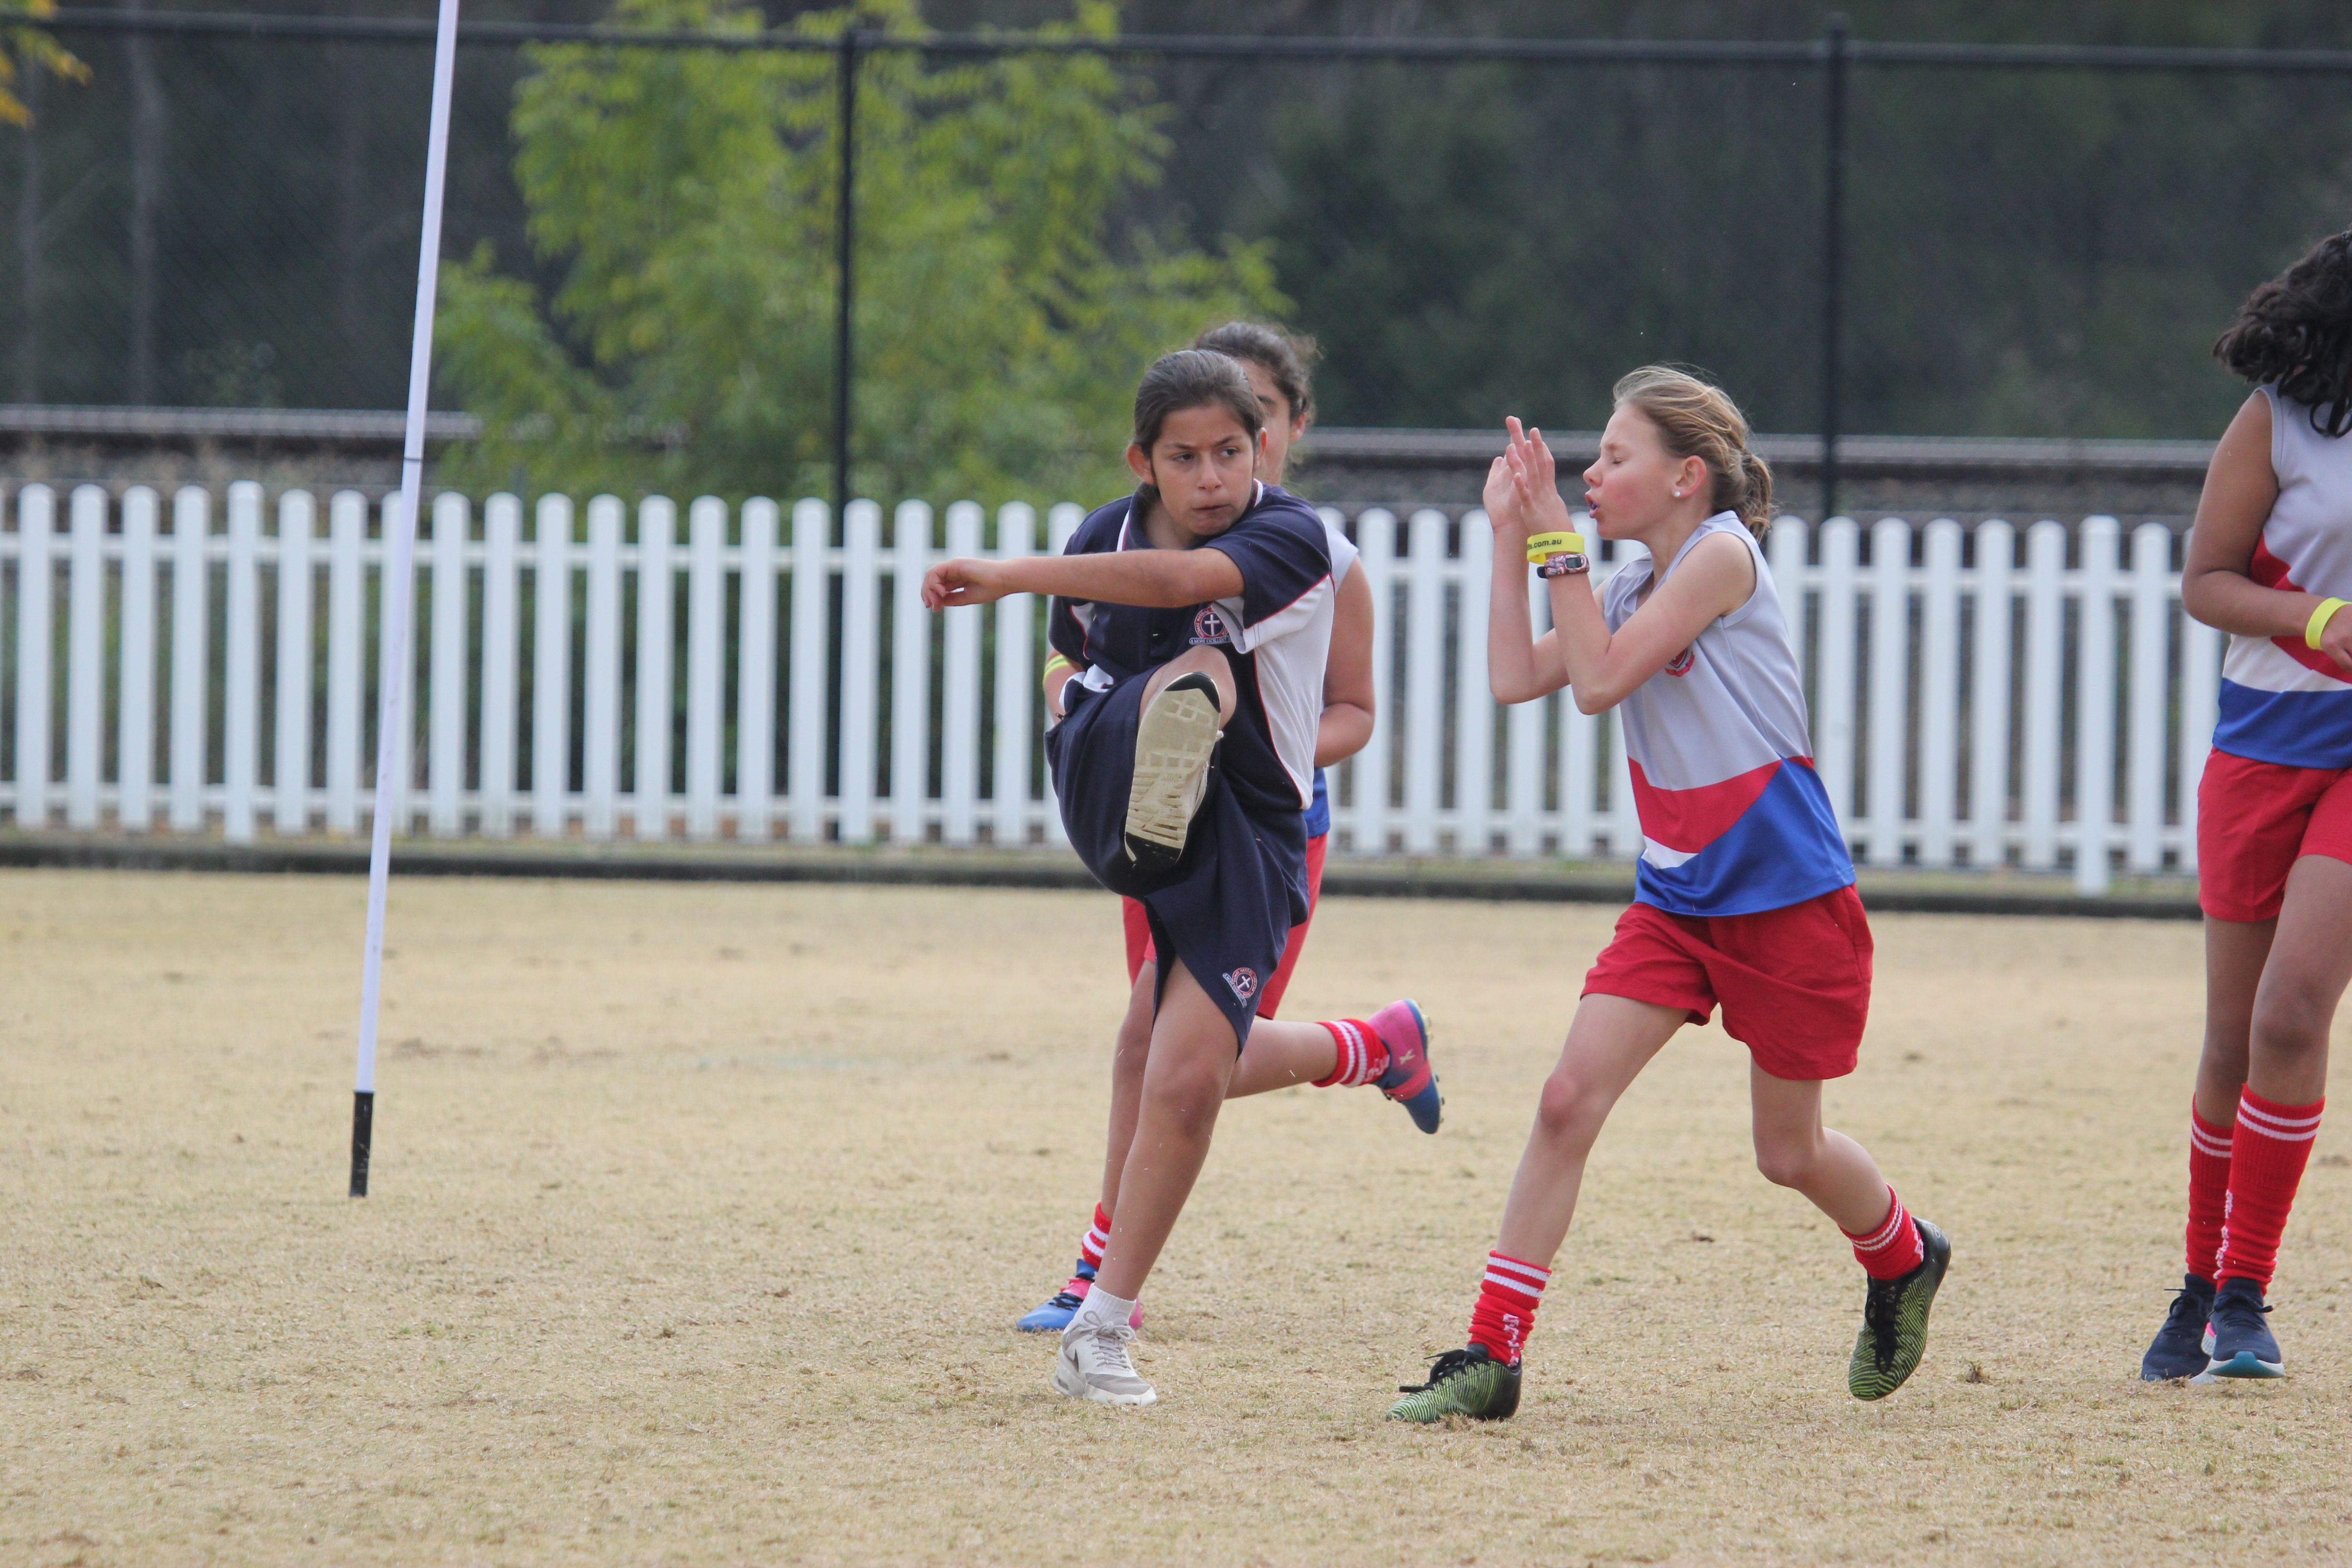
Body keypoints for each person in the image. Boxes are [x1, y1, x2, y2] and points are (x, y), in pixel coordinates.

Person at [1386, 368, 1949, 1423]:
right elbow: (1519, 679)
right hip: (1678, 899)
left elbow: (1598, 687)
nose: (1592, 474)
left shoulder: (1724, 555)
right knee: (1565, 1102)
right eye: (1591, 461)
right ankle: (1491, 1355)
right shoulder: (1629, 588)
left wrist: (1556, 535)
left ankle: (1905, 1256)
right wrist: (1513, 533)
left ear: (1687, 476)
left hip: (1786, 899)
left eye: (1613, 456)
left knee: (1789, 1154)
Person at [922, 348, 1431, 1406]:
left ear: (1269, 445)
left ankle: (1099, 1332)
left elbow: (1187, 585)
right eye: (1185, 458)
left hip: (1249, 830)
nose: (1211, 478)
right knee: (1187, 682)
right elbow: (1067, 651)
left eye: (1231, 454)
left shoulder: (1293, 539)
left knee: (1187, 1073)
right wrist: (1067, 700)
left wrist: (1010, 572)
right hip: (1116, 782)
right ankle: (1165, 749)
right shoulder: (1099, 535)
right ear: (1142, 462)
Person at [2139, 230, 2352, 1382]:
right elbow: (2207, 583)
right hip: (2267, 746)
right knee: (2231, 1040)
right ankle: (2194, 1289)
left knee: (2290, 1013)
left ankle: (2247, 1297)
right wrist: (2318, 620)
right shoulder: (2282, 417)